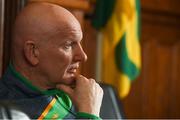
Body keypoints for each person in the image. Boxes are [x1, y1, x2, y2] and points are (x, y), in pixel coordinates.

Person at [0, 2, 103, 119]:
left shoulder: (76, 93)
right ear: (33, 52)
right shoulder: (8, 114)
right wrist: (89, 113)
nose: (83, 56)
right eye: (68, 45)